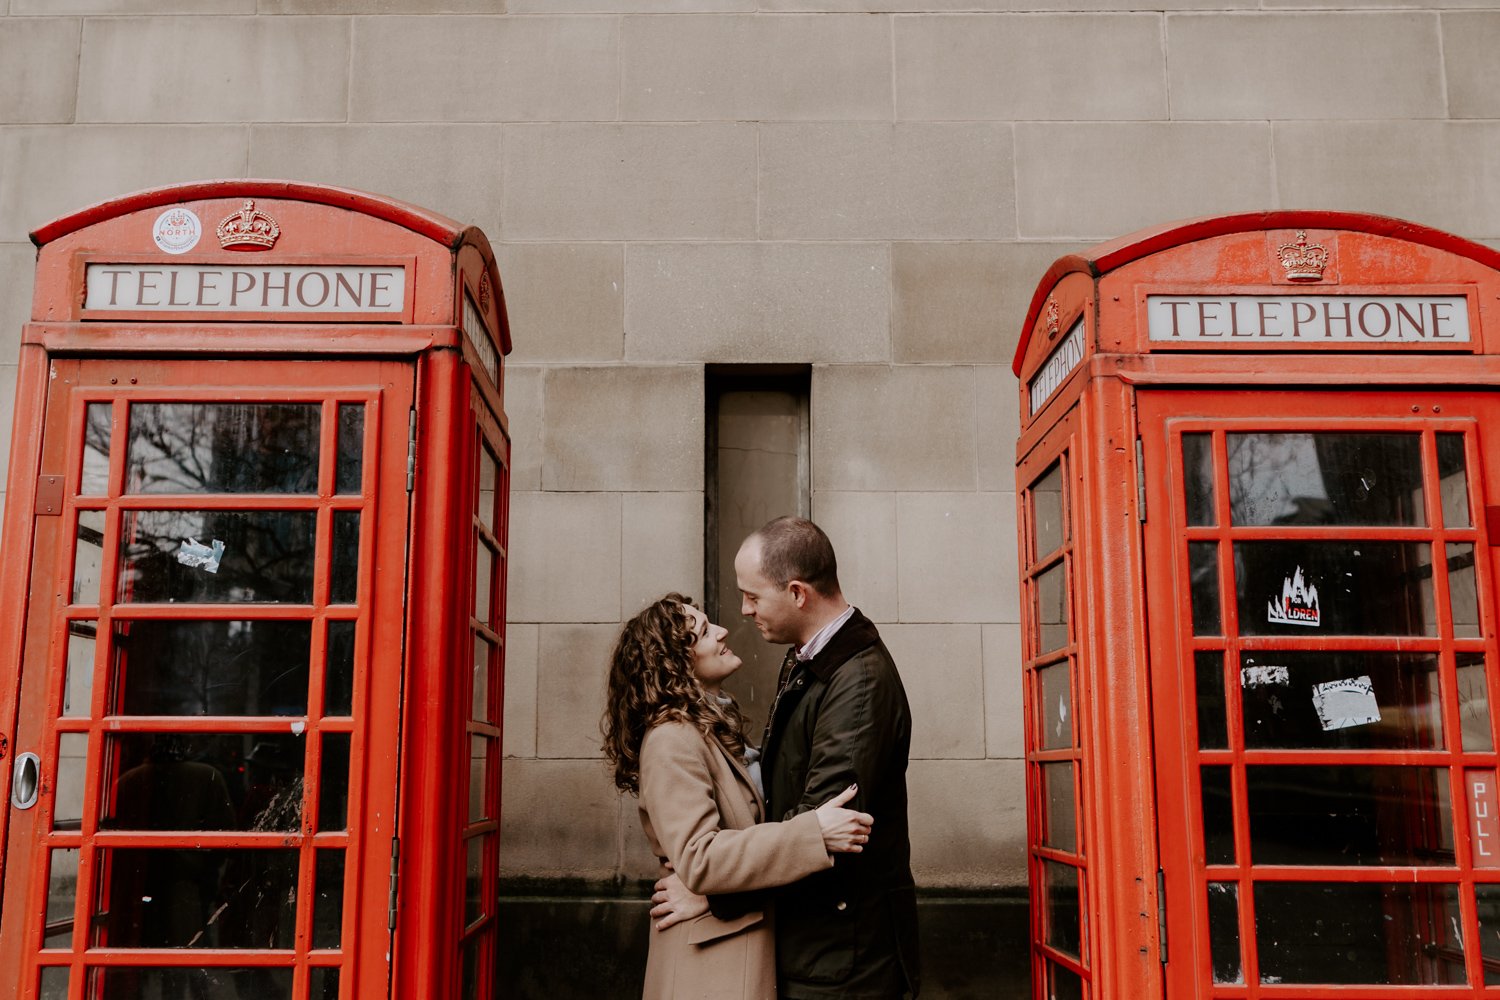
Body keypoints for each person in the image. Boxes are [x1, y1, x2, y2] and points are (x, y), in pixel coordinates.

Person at [656, 517, 921, 999]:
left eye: (753, 597)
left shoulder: (858, 682)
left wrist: (713, 893)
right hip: (815, 939)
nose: (743, 610)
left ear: (797, 593)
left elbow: (829, 825)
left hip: (843, 957)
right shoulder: (810, 655)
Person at [603, 593, 876, 1000]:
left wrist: (711, 897)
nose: (723, 630)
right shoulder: (670, 740)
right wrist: (813, 832)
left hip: (730, 940)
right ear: (677, 663)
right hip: (709, 964)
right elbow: (700, 857)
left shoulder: (708, 728)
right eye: (703, 632)